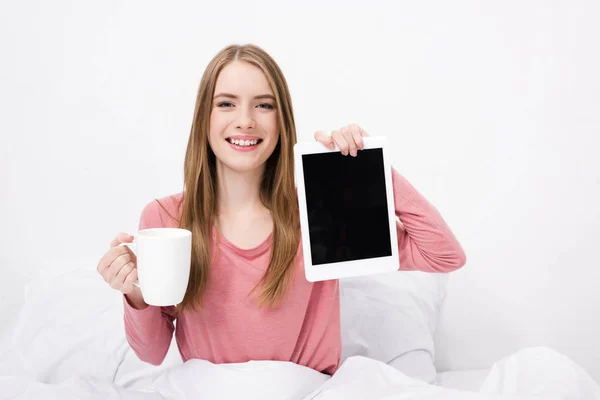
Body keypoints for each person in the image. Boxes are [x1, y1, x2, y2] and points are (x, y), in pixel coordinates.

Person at [96, 43, 466, 375]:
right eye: (226, 103)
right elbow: (152, 353)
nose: (246, 119)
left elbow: (443, 255)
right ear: (204, 119)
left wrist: (368, 166)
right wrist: (135, 293)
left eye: (264, 105)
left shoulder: (321, 206)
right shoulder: (165, 220)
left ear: (281, 121)